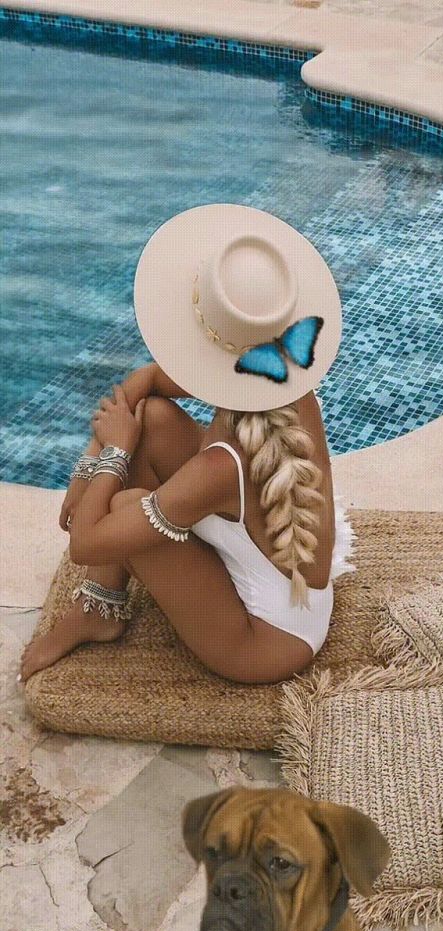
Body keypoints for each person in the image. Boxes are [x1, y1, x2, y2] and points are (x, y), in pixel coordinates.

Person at [20, 203, 346, 686]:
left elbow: (85, 543)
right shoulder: (277, 376)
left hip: (266, 642)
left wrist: (113, 454)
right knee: (150, 418)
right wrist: (88, 464)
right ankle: (99, 609)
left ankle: (98, 611)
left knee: (122, 503)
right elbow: (147, 381)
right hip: (274, 561)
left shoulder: (219, 469)